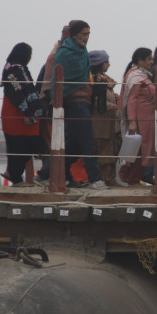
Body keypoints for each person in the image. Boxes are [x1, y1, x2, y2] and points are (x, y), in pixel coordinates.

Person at [53, 19, 106, 189]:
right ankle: (95, 179)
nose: (87, 37)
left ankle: (47, 173)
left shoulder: (82, 51)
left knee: (73, 143)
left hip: (84, 100)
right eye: (84, 34)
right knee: (86, 141)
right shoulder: (64, 53)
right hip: (72, 100)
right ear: (75, 34)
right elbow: (61, 79)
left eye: (89, 34)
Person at [0, 43, 47, 186]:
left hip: (15, 111)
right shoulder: (16, 69)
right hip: (18, 112)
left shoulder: (11, 67)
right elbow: (18, 93)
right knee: (24, 145)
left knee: (19, 145)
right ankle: (15, 175)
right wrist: (27, 113)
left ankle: (14, 175)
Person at [118, 47, 157, 186]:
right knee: (139, 150)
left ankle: (132, 178)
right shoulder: (136, 77)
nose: (152, 62)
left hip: (147, 120)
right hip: (140, 121)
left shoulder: (144, 76)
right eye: (149, 59)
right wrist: (132, 121)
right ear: (140, 61)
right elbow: (131, 100)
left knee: (142, 149)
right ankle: (131, 178)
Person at [88, 50, 120, 185]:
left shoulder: (104, 79)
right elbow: (93, 101)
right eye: (106, 62)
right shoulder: (92, 80)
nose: (109, 65)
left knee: (111, 151)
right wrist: (113, 107)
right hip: (99, 123)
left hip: (109, 122)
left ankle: (110, 178)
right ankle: (103, 179)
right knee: (102, 153)